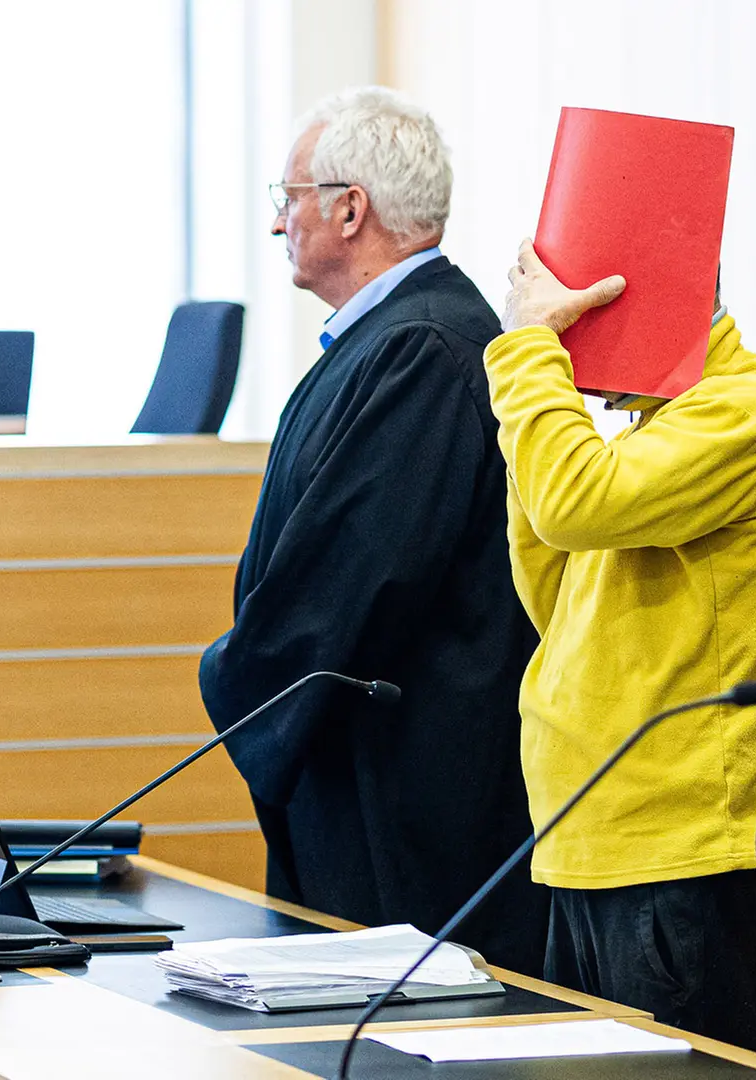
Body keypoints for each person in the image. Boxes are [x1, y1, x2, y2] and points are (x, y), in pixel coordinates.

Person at [198, 87, 547, 975]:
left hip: (404, 791)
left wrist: (236, 672)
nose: (277, 222)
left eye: (290, 198)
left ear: (351, 210)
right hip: (362, 771)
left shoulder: (423, 347)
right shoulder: (394, 336)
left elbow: (355, 576)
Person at [485, 249, 756, 1051]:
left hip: (684, 859)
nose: (563, 336)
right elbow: (555, 596)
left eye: (574, 315)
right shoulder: (652, 432)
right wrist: (540, 412)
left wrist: (529, 355)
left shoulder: (749, 412)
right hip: (592, 837)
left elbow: (571, 505)